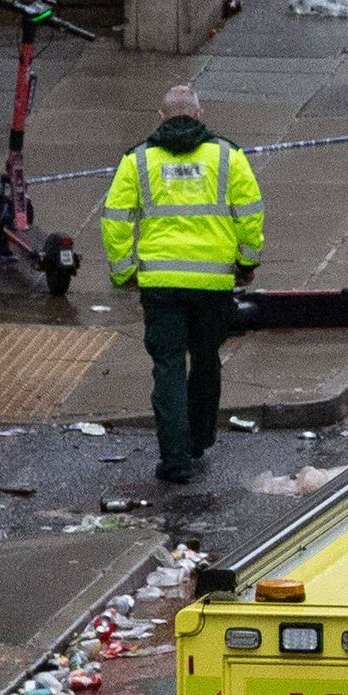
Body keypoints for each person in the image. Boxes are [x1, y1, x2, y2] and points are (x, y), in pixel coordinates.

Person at [100, 83, 264, 488]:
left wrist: (125, 272)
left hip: (161, 283)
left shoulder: (137, 161)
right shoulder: (229, 156)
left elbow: (115, 220)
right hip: (212, 281)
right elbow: (251, 214)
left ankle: (175, 459)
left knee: (168, 365)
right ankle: (199, 440)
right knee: (206, 358)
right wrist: (246, 262)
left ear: (161, 117)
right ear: (200, 114)